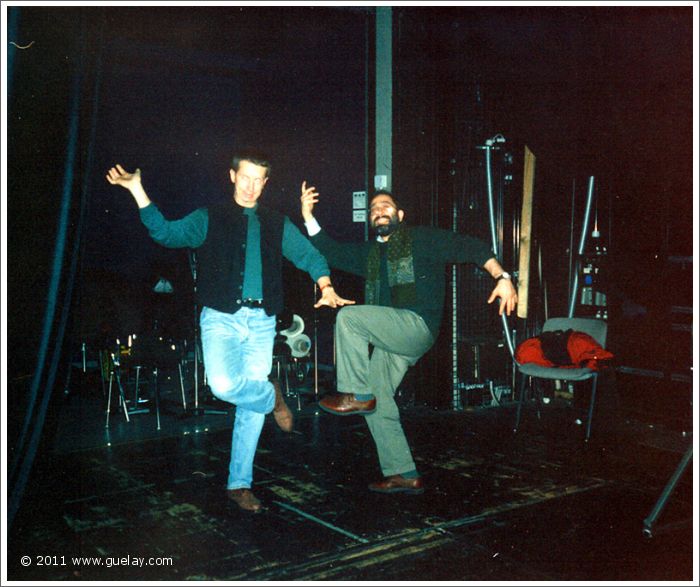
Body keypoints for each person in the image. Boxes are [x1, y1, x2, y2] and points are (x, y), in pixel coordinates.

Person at [106, 151, 354, 512]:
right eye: (246, 178)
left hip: (262, 321)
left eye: (260, 180)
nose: (252, 187)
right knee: (222, 386)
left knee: (247, 407)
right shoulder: (210, 217)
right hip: (220, 317)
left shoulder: (275, 222)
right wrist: (137, 189)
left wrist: (326, 285)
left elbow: (310, 256)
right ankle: (273, 397)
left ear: (266, 183)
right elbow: (166, 233)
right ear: (233, 176)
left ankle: (239, 484)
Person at [300, 184, 517, 495]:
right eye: (374, 209)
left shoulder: (422, 239)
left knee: (350, 318)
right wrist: (308, 216)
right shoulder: (370, 254)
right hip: (393, 337)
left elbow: (472, 248)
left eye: (385, 206)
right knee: (378, 400)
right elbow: (330, 251)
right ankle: (402, 472)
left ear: (399, 215)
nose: (379, 211)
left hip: (417, 326)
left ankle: (354, 393)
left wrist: (503, 277)